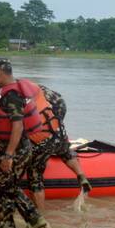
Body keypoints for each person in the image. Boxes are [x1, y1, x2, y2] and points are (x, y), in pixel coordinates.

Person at [0, 58, 52, 228]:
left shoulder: (11, 95)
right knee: (2, 190)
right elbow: (7, 122)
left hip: (17, 149)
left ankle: (38, 223)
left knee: (9, 188)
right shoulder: (5, 92)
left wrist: (9, 155)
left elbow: (18, 125)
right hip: (12, 146)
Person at [26, 83, 92, 211]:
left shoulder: (10, 96)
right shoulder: (37, 87)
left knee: (35, 174)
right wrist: (57, 123)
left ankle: (41, 214)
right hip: (55, 127)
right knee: (65, 150)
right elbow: (61, 103)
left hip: (41, 137)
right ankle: (81, 175)